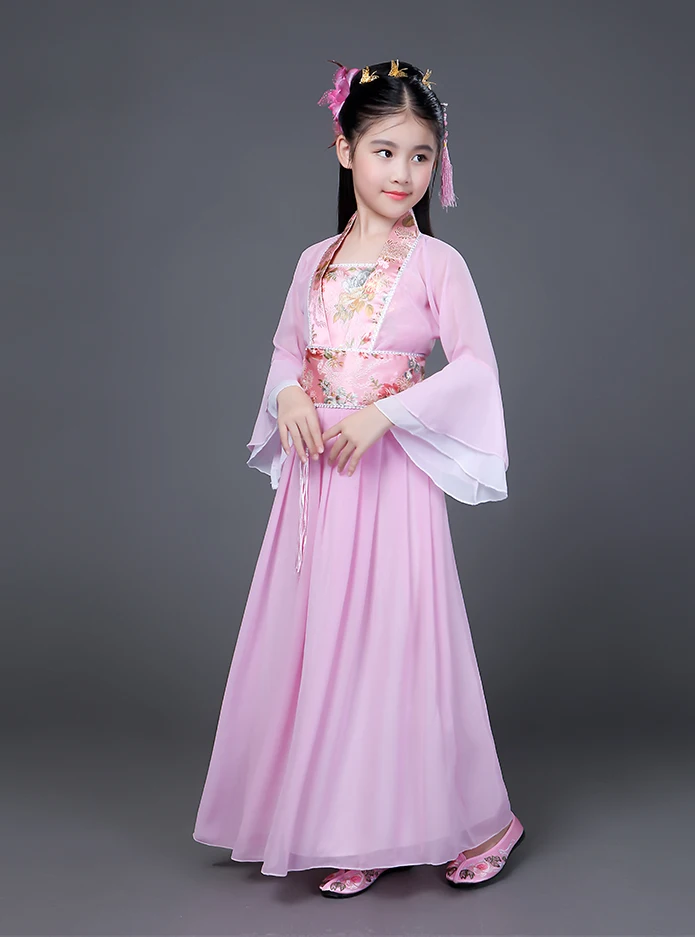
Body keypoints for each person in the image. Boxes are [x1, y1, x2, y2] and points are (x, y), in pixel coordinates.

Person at [192, 58, 526, 898]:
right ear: (344, 150)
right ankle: (350, 825)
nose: (402, 172)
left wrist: (388, 414)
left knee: (395, 644)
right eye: (384, 151)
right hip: (321, 481)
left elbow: (475, 367)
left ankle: (484, 819)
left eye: (421, 155)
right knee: (320, 644)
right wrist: (289, 394)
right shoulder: (314, 261)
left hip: (389, 479)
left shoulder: (437, 265)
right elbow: (286, 352)